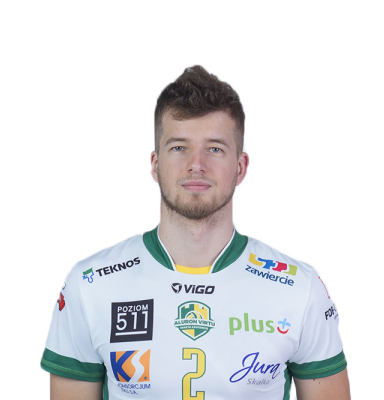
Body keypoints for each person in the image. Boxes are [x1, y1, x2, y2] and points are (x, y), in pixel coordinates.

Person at [39, 64, 351, 400]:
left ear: (241, 167)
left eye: (215, 148)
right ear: (154, 165)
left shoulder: (300, 288)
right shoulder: (90, 284)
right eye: (179, 147)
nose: (196, 165)